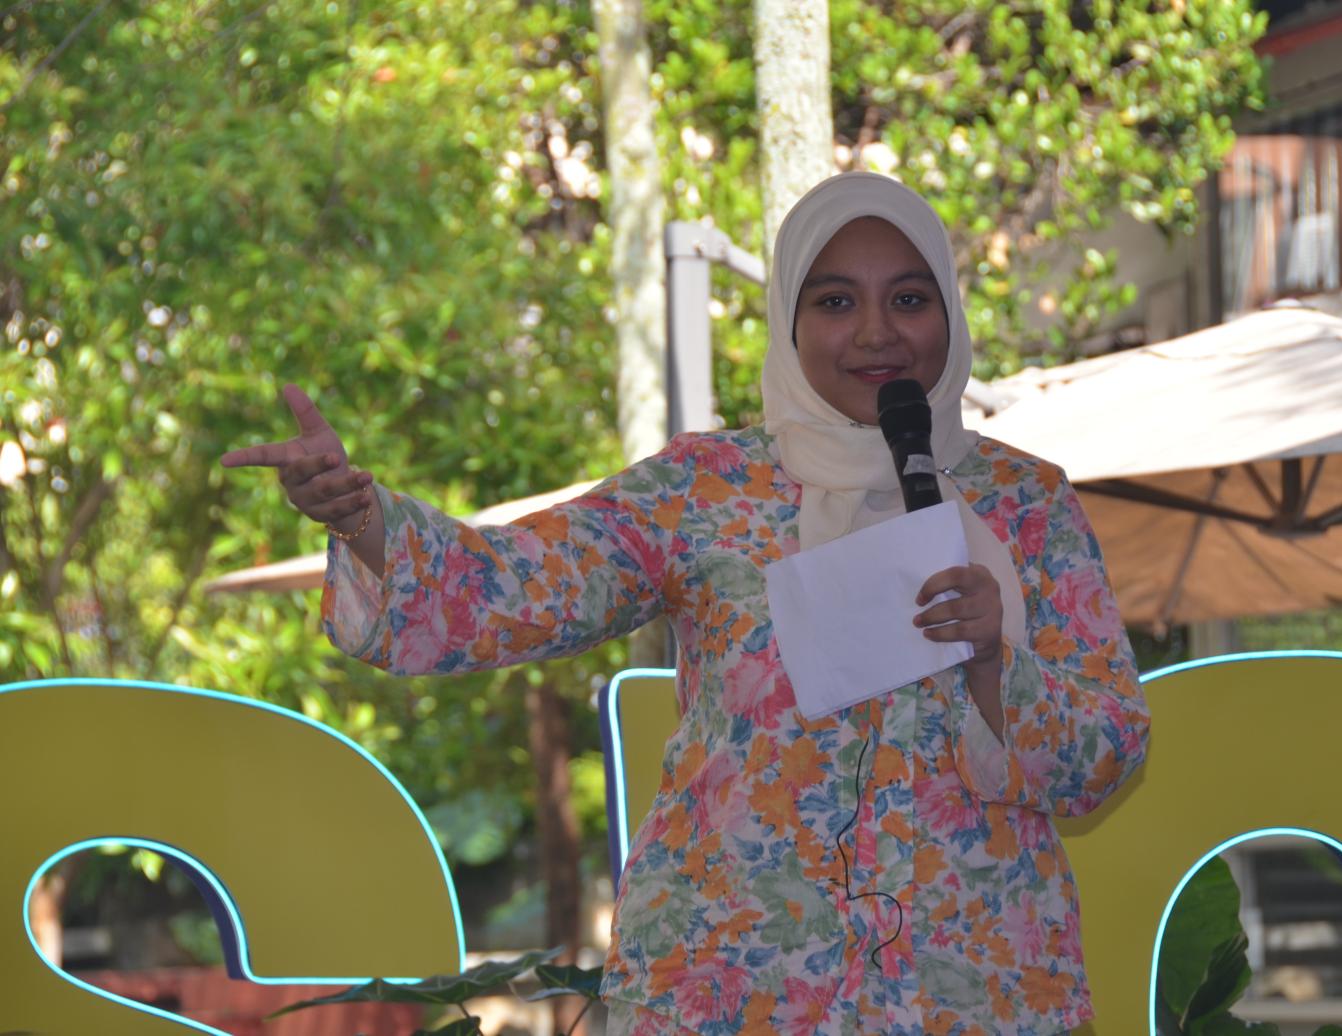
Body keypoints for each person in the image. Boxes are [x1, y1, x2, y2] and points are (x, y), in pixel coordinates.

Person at [223, 172, 1149, 1035]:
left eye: (909, 299)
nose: (876, 332)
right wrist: (361, 518)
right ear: (788, 321)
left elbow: (1106, 758)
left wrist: (993, 663)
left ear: (949, 311)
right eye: (835, 302)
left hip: (975, 987)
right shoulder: (705, 488)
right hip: (733, 987)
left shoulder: (1026, 504)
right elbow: (505, 588)